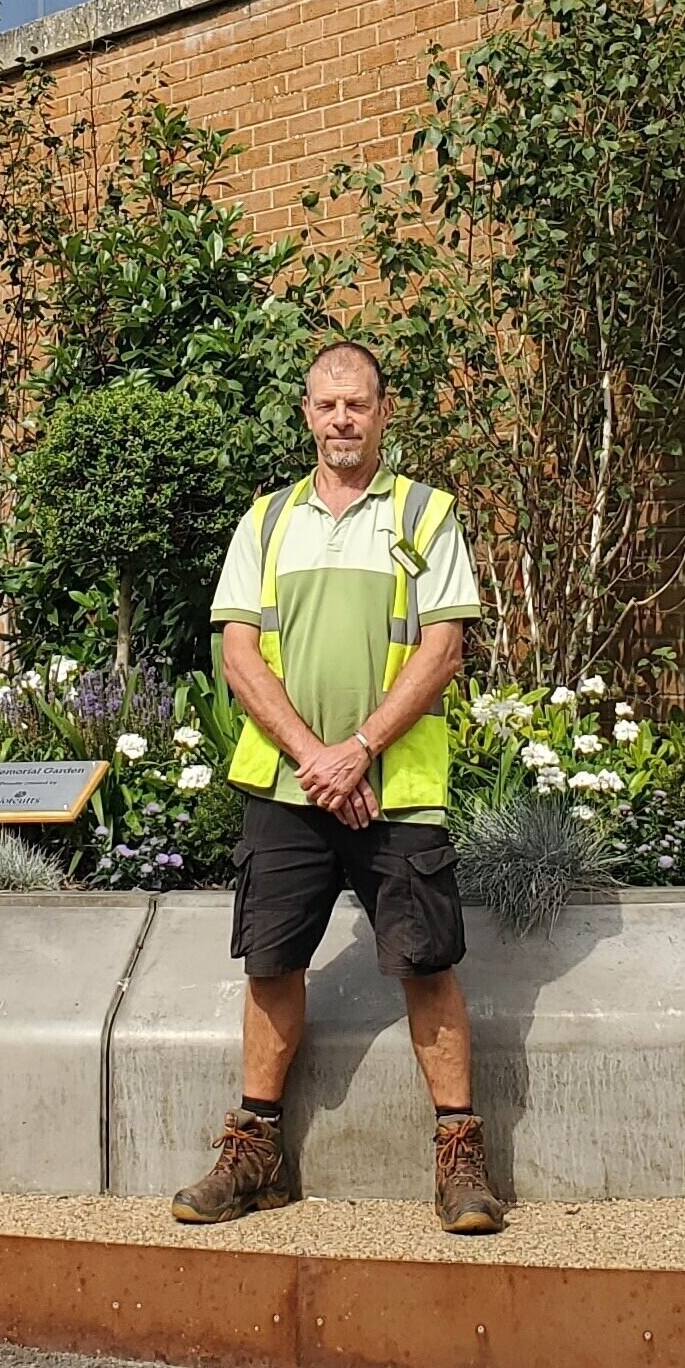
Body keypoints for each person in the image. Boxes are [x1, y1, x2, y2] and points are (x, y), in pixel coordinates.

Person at [175, 341, 504, 1235]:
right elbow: (238, 654)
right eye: (325, 405)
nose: (341, 421)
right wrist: (316, 760)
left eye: (356, 404)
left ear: (383, 412)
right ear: (306, 414)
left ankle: (460, 1157)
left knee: (425, 965)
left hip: (395, 785)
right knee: (271, 963)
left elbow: (442, 651)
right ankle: (254, 1153)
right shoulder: (267, 519)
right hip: (287, 787)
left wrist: (357, 750)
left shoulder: (426, 514)